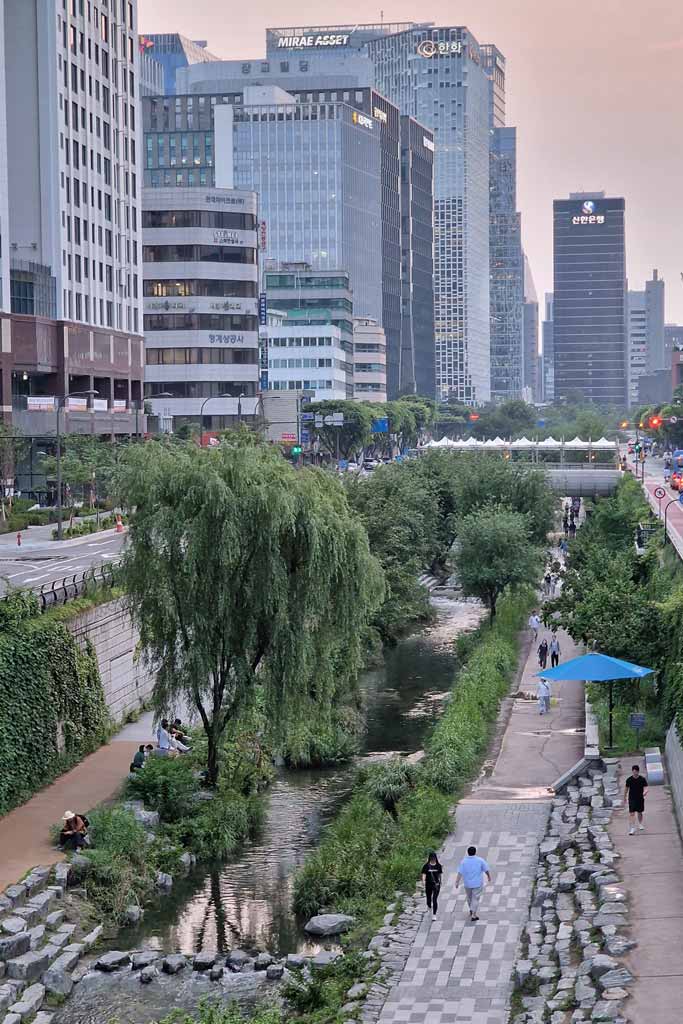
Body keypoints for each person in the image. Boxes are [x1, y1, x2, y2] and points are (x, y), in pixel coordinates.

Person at [456, 846, 492, 922]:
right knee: (475, 898)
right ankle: (474, 914)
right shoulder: (480, 860)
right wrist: (489, 876)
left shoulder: (464, 861)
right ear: (475, 852)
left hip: (467, 884)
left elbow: (460, 872)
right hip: (477, 883)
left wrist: (457, 882)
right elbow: (486, 869)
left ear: (468, 852)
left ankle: (471, 909)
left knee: (469, 898)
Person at [625, 764, 648, 834]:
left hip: (640, 798)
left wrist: (645, 792)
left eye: (636, 771)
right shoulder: (629, 780)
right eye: (634, 771)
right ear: (632, 771)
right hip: (631, 798)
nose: (635, 772)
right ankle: (632, 828)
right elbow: (626, 789)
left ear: (638, 771)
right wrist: (624, 798)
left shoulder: (642, 779)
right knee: (631, 813)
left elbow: (646, 787)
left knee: (640, 812)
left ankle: (640, 824)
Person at [420, 851, 443, 920]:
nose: (433, 859)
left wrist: (440, 882)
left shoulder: (438, 866)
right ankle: (429, 907)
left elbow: (440, 875)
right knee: (428, 899)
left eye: (434, 858)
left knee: (434, 899)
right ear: (430, 858)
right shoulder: (426, 866)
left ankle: (434, 914)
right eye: (432, 858)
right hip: (428, 884)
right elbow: (424, 874)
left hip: (436, 885)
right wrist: (423, 881)